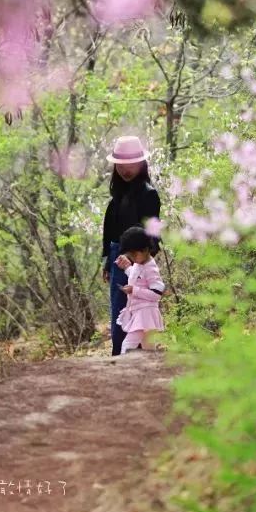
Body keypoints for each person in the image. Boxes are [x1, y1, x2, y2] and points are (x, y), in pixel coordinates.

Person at [101, 135, 161, 356]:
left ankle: (133, 359)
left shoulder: (148, 194)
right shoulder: (117, 196)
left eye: (132, 164)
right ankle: (120, 356)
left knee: (138, 310)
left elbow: (153, 234)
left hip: (138, 259)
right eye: (121, 164)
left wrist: (141, 262)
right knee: (120, 312)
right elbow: (113, 234)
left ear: (142, 164)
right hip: (119, 258)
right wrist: (109, 261)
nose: (126, 169)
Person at [114, 226, 165, 354]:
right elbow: (136, 277)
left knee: (128, 344)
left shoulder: (150, 267)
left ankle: (121, 368)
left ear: (146, 249)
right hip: (140, 312)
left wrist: (134, 290)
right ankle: (151, 371)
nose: (133, 257)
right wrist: (127, 267)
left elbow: (157, 293)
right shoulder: (138, 263)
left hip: (145, 313)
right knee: (148, 347)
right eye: (130, 255)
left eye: (134, 254)